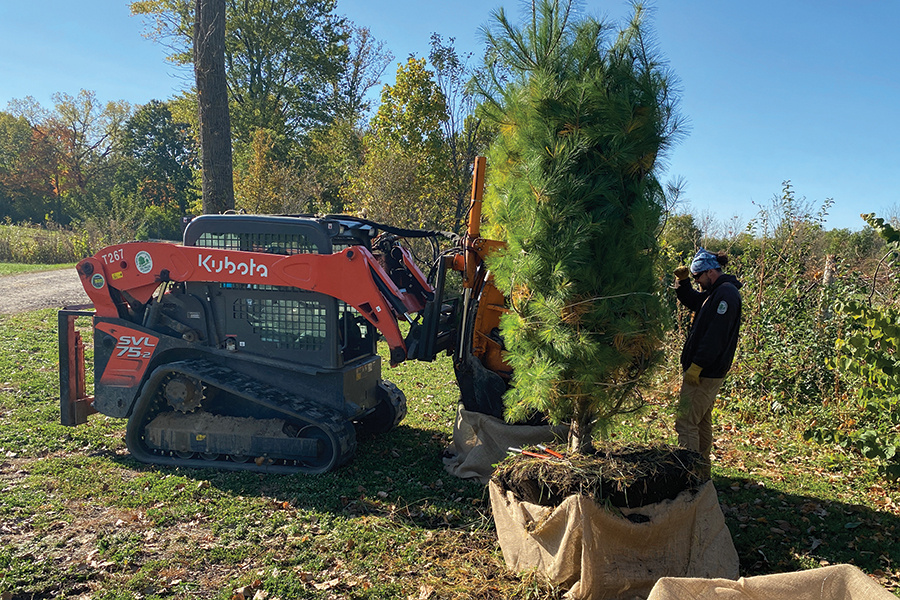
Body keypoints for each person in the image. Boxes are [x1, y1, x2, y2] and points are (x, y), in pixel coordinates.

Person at [673, 248, 743, 479]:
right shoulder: (716, 292)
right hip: (708, 371)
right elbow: (694, 301)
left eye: (697, 278)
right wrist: (682, 284)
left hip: (705, 372)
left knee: (685, 422)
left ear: (710, 272)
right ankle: (702, 475)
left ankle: (689, 476)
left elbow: (716, 336)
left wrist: (697, 365)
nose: (697, 283)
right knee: (700, 421)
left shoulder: (726, 295)